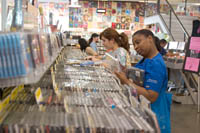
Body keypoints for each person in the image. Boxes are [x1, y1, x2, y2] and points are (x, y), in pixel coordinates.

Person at [115, 29, 172, 133]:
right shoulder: (144, 60)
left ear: (150, 38)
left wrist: (126, 81)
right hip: (143, 114)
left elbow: (151, 96)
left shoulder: (156, 64)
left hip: (154, 117)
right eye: (134, 44)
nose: (136, 47)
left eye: (138, 42)